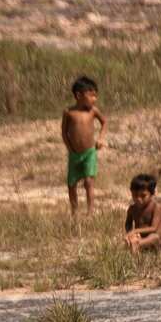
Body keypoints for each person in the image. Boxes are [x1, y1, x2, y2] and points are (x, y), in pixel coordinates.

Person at [61, 75, 107, 216]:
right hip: (74, 154)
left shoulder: (93, 111)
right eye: (91, 95)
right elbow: (64, 132)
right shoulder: (69, 112)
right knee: (72, 183)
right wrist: (69, 148)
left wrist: (101, 138)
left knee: (88, 182)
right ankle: (74, 212)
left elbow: (104, 122)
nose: (95, 99)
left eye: (96, 96)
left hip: (89, 152)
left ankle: (90, 212)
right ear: (79, 95)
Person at [123, 173, 161, 253]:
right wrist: (129, 233)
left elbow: (154, 228)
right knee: (128, 239)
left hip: (156, 242)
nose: (138, 199)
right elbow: (128, 224)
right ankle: (136, 247)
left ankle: (138, 244)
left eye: (143, 196)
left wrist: (135, 231)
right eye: (135, 195)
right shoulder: (132, 209)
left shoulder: (156, 207)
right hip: (140, 236)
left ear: (152, 194)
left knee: (154, 237)